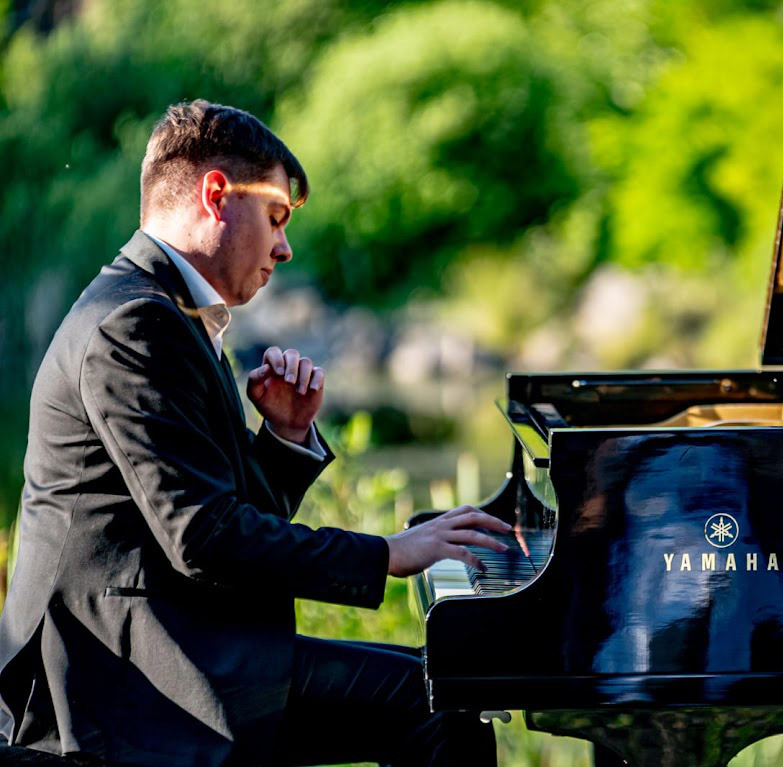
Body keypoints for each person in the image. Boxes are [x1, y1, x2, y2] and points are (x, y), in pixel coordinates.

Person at [0, 100, 509, 767]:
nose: (284, 247)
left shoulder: (167, 312)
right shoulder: (135, 322)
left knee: (440, 697)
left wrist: (285, 436)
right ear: (217, 195)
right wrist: (386, 552)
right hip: (118, 680)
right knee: (436, 704)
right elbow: (203, 538)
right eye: (275, 218)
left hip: (171, 645)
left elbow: (218, 524)